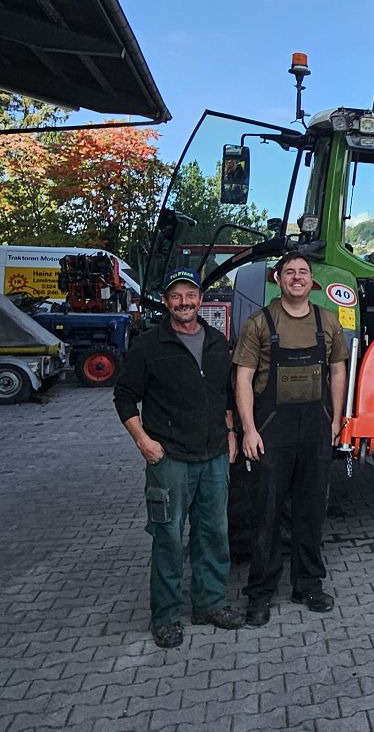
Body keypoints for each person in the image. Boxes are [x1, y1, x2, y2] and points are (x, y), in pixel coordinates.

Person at [114, 267, 244, 649]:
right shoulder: (150, 346)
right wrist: (143, 441)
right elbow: (124, 397)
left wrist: (232, 433)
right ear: (166, 301)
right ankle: (166, 616)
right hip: (168, 458)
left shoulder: (218, 342)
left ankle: (210, 604)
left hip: (214, 456)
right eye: (176, 296)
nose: (184, 302)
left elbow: (225, 396)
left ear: (200, 299)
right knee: (168, 537)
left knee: (214, 534)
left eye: (191, 295)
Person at [233, 253, 349, 626]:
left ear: (311, 281)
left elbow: (338, 370)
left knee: (311, 511)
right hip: (272, 429)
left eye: (303, 273)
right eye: (289, 273)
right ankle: (260, 594)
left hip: (315, 427)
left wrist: (336, 419)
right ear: (278, 279)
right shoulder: (260, 323)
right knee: (266, 513)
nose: (296, 278)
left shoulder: (326, 321)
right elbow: (243, 379)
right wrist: (248, 429)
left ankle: (308, 585)